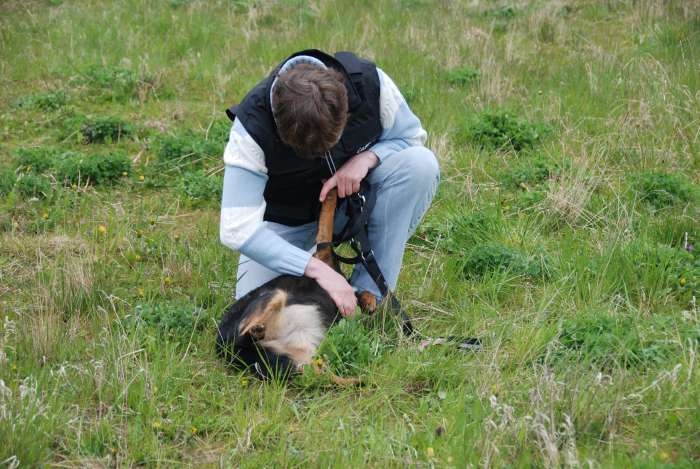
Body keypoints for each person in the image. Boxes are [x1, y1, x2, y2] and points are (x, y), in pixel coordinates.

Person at [220, 49, 439, 318]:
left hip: (353, 208)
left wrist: (368, 158)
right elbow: (236, 229)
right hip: (288, 223)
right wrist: (315, 269)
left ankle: (371, 295)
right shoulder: (252, 126)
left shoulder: (369, 84)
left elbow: (411, 138)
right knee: (255, 315)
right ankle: (320, 270)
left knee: (421, 165)